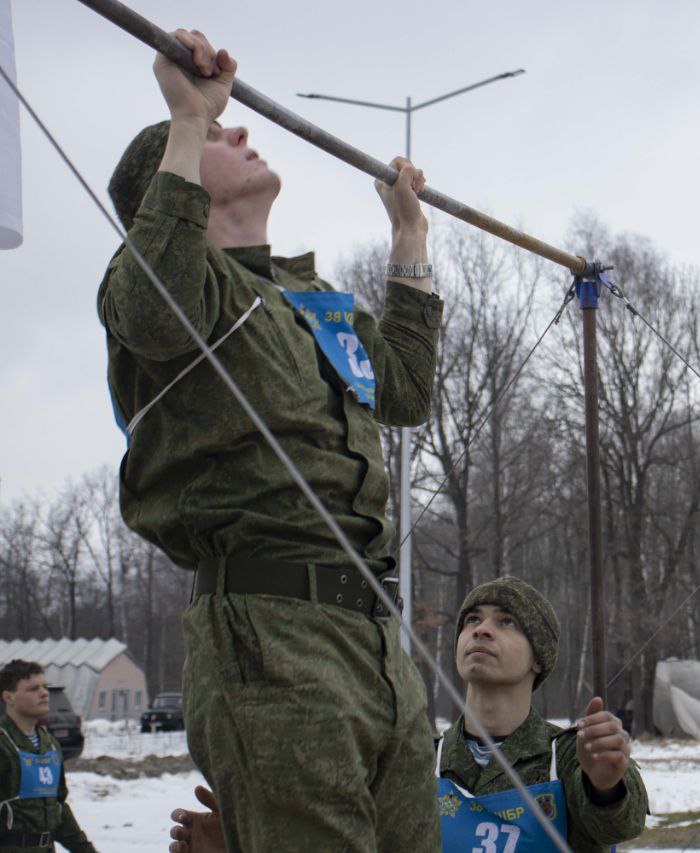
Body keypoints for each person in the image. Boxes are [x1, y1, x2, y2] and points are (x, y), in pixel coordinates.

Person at [98, 28, 443, 853]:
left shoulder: (308, 298)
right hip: (269, 633)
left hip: (372, 633)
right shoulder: (166, 289)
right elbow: (153, 306)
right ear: (175, 179)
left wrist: (410, 238)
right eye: (221, 137)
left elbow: (402, 389)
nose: (241, 130)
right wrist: (189, 119)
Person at [169, 577, 649, 852]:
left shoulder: (568, 757)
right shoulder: (417, 761)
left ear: (540, 657)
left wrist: (606, 784)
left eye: (507, 622)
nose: (482, 630)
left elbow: (617, 824)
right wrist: (249, 844)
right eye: (472, 620)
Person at [0, 660, 96, 853]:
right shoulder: (3, 744)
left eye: (45, 687)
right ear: (8, 697)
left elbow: (58, 807)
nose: (44, 693)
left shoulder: (49, 744)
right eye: (33, 689)